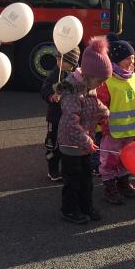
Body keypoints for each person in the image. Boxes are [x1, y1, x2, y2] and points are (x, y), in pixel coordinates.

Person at [55, 36, 113, 224]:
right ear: (88, 75)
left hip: (85, 142)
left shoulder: (90, 87)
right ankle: (70, 209)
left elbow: (94, 104)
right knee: (73, 179)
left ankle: (86, 206)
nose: (101, 84)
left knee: (87, 178)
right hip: (71, 145)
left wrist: (105, 112)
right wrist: (87, 141)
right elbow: (71, 122)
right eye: (100, 80)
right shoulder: (72, 91)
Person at [96, 36, 135, 205]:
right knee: (110, 159)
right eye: (127, 59)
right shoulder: (107, 81)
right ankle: (109, 186)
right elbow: (100, 104)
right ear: (116, 60)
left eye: (133, 58)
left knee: (126, 157)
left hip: (131, 130)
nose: (132, 62)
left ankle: (123, 182)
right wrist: (103, 122)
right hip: (113, 131)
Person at [41, 46, 81, 182]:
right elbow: (45, 88)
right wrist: (51, 96)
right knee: (53, 144)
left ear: (73, 62)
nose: (59, 62)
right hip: (55, 117)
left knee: (69, 144)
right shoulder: (55, 73)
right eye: (58, 58)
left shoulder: (79, 75)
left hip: (71, 117)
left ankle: (68, 169)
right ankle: (52, 170)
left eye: (63, 59)